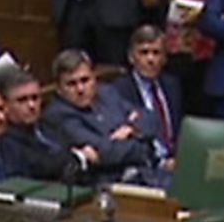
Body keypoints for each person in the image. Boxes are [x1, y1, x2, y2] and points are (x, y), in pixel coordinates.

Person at [45, 48, 152, 181]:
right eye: (71, 84)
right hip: (109, 184)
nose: (80, 89)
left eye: (85, 80)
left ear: (94, 78)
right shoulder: (58, 115)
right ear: (59, 89)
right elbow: (106, 153)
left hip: (145, 172)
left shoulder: (107, 93)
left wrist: (129, 128)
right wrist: (139, 143)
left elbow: (149, 118)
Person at [94, 28, 183, 174]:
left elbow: (177, 131)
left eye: (156, 53)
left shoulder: (172, 85)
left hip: (176, 163)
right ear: (131, 57)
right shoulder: (118, 90)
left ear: (164, 58)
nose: (150, 59)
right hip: (142, 166)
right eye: (144, 52)